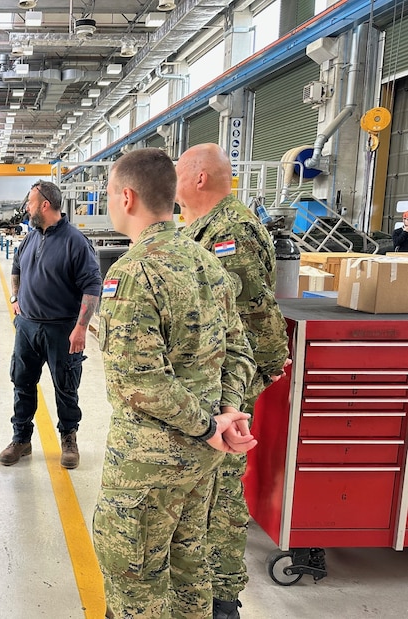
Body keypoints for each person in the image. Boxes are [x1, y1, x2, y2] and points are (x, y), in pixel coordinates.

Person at [92, 148, 258, 619]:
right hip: (202, 463)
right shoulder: (207, 264)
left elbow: (138, 381)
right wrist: (224, 418)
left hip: (148, 469)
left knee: (135, 581)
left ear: (126, 197)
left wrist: (210, 424)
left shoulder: (132, 272)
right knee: (190, 575)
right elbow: (239, 352)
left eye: (108, 194)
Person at [177, 143, 289, 619]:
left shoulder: (231, 233)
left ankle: (223, 600)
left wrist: (229, 401)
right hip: (215, 387)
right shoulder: (206, 229)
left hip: (226, 391)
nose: (174, 181)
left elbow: (242, 325)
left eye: (179, 171)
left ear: (200, 177)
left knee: (220, 493)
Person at [0, 180, 102, 469]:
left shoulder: (75, 241)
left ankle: (69, 439)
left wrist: (81, 327)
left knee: (66, 387)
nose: (27, 208)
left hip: (62, 330)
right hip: (27, 328)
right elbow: (17, 266)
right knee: (22, 383)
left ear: (45, 204)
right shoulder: (31, 237)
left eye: (30, 202)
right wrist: (15, 297)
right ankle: (21, 439)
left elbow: (92, 285)